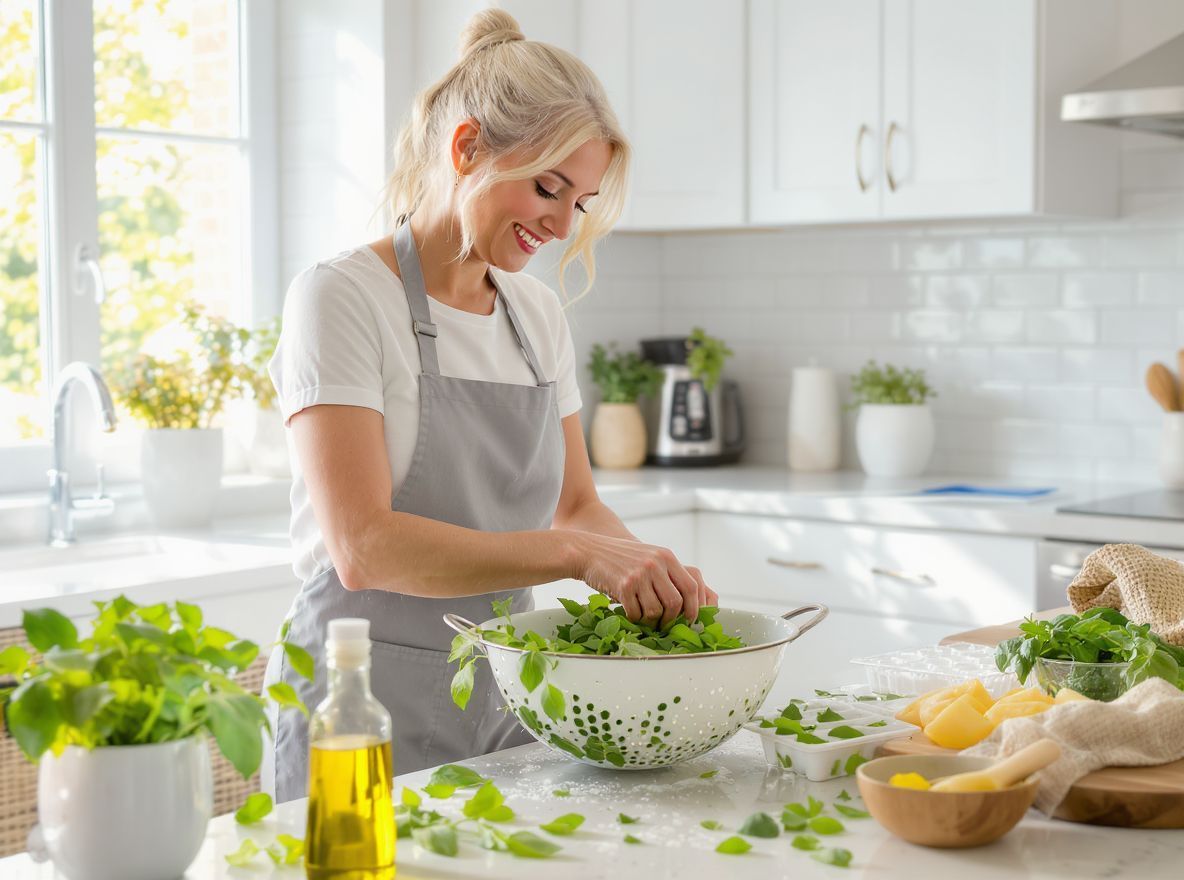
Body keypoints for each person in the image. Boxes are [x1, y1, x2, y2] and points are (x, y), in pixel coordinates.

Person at [262, 9, 718, 802]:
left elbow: (576, 507)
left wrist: (659, 581)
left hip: (507, 700)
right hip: (357, 707)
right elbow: (363, 545)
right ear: (467, 147)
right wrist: (580, 559)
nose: (561, 221)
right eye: (548, 186)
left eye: (580, 201)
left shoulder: (537, 315)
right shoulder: (340, 298)